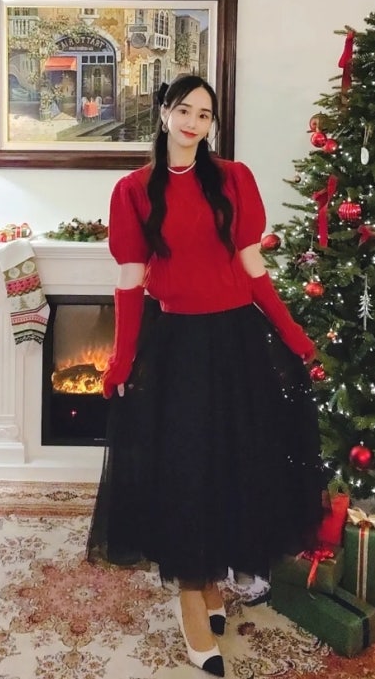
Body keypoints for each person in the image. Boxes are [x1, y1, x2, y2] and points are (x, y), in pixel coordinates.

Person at [87, 74, 324, 677]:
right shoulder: (133, 190)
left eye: (205, 114)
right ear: (165, 113)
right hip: (177, 345)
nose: (194, 122)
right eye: (185, 110)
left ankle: (213, 581)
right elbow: (129, 282)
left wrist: (293, 334)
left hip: (237, 340)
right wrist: (121, 359)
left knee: (229, 466)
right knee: (185, 472)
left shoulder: (234, 178)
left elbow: (253, 266)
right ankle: (193, 601)